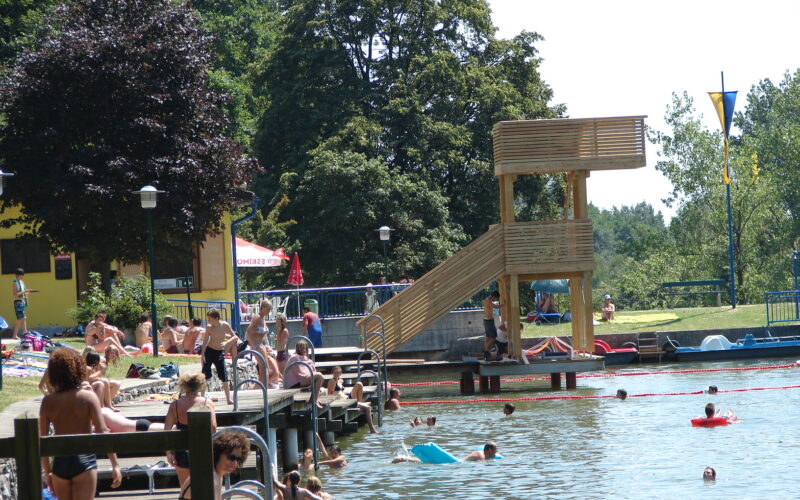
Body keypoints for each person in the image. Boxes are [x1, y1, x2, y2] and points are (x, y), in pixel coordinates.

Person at [39, 348, 122, 499]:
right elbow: (102, 432)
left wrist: (48, 471)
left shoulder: (48, 401)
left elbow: (43, 440)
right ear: (78, 369)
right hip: (84, 459)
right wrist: (115, 464)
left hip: (60, 461)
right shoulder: (88, 397)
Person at [166, 373, 218, 490]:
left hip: (181, 451)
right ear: (200, 386)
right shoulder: (207, 403)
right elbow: (213, 428)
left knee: (185, 489)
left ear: (183, 386)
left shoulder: (175, 405)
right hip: (203, 450)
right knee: (204, 489)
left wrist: (168, 453)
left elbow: (167, 431)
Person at [179, 429, 249, 500]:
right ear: (219, 453)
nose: (235, 463)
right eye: (231, 457)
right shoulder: (209, 477)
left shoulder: (217, 474)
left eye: (238, 459)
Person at [325, 365, 378, 433]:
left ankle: (360, 402)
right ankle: (372, 429)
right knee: (368, 408)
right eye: (335, 372)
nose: (336, 374)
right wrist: (338, 392)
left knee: (359, 384)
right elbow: (330, 394)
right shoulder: (332, 381)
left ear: (340, 373)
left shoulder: (340, 380)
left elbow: (341, 391)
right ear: (332, 373)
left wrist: (340, 392)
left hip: (347, 398)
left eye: (338, 372)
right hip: (344, 402)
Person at [199, 309, 234, 404]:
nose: (208, 322)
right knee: (205, 374)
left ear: (217, 318)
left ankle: (228, 399)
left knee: (223, 375)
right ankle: (202, 398)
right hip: (209, 351)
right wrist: (202, 354)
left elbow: (234, 336)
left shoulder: (225, 325)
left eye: (210, 319)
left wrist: (227, 342)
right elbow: (205, 341)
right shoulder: (209, 327)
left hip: (219, 352)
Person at [285, 340, 325, 408]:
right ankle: (314, 400)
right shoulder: (294, 357)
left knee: (320, 378)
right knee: (319, 376)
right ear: (298, 348)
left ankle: (315, 399)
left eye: (305, 348)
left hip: (303, 379)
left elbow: (311, 370)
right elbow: (300, 373)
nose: (304, 350)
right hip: (295, 382)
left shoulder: (307, 359)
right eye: (301, 348)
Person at [246, 300, 272, 386]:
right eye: (267, 309)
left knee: (264, 368)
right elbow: (249, 331)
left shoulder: (262, 319)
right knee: (264, 368)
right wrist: (253, 345)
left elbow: (263, 335)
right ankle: (264, 387)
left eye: (270, 309)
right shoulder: (257, 318)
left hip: (262, 345)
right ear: (262, 308)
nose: (269, 311)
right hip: (257, 346)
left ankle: (262, 386)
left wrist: (266, 345)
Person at [12, 268, 33, 338]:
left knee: (22, 318)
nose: (22, 277)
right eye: (21, 275)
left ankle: (24, 334)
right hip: (18, 302)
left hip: (22, 301)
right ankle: (18, 334)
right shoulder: (15, 282)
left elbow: (23, 293)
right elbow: (15, 294)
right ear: (18, 275)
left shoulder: (22, 282)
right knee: (21, 318)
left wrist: (27, 293)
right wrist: (24, 291)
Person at [482, 291, 501, 358]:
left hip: (488, 320)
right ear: (493, 296)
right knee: (493, 337)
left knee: (488, 337)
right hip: (488, 321)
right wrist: (504, 304)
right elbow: (496, 307)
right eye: (495, 298)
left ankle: (485, 350)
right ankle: (486, 350)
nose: (495, 300)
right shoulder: (488, 301)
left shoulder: (487, 299)